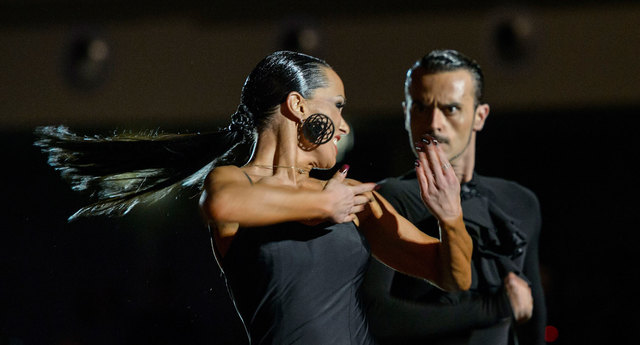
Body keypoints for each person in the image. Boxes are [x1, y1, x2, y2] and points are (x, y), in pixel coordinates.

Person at [35, 51, 473, 345]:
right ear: (298, 105)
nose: (342, 124)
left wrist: (451, 219)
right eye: (336, 105)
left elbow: (453, 277)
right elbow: (221, 208)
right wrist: (323, 205)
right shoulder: (234, 182)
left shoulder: (349, 198)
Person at [362, 49, 546, 345]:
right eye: (420, 107)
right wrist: (492, 308)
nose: (433, 122)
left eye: (450, 109)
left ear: (480, 115)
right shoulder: (390, 199)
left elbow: (532, 317)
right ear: (406, 114)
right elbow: (374, 315)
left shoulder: (519, 201)